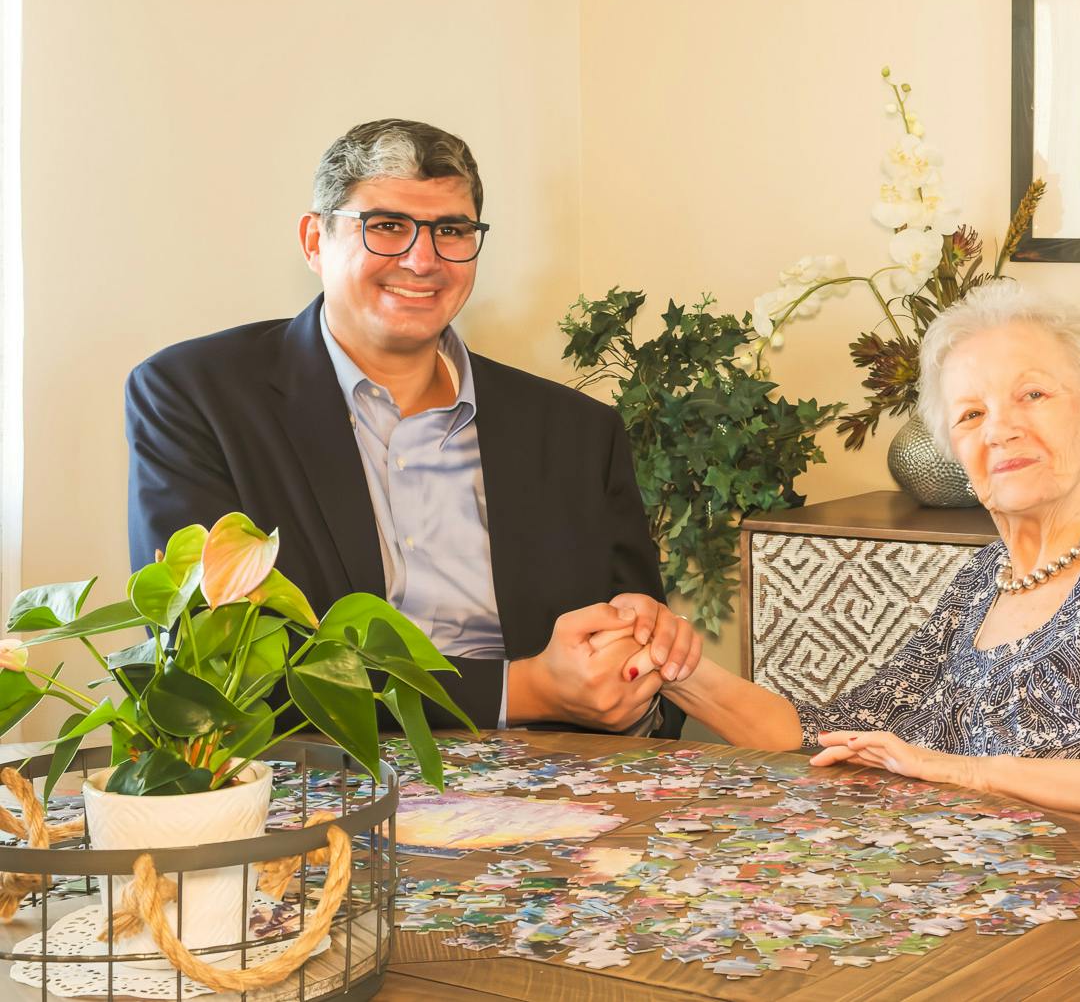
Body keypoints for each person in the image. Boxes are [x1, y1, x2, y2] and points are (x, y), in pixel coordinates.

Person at [659, 282, 1080, 907]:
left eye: (1033, 394)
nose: (1001, 429)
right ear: (954, 451)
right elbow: (823, 738)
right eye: (972, 414)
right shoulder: (979, 583)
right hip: (951, 906)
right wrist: (673, 663)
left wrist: (968, 774)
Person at [126, 119, 700, 733]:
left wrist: (629, 676)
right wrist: (522, 690)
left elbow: (634, 657)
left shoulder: (579, 434)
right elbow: (219, 662)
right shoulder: (195, 396)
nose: (422, 260)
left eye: (451, 230)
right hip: (319, 783)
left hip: (564, 785)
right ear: (315, 240)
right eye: (387, 227)